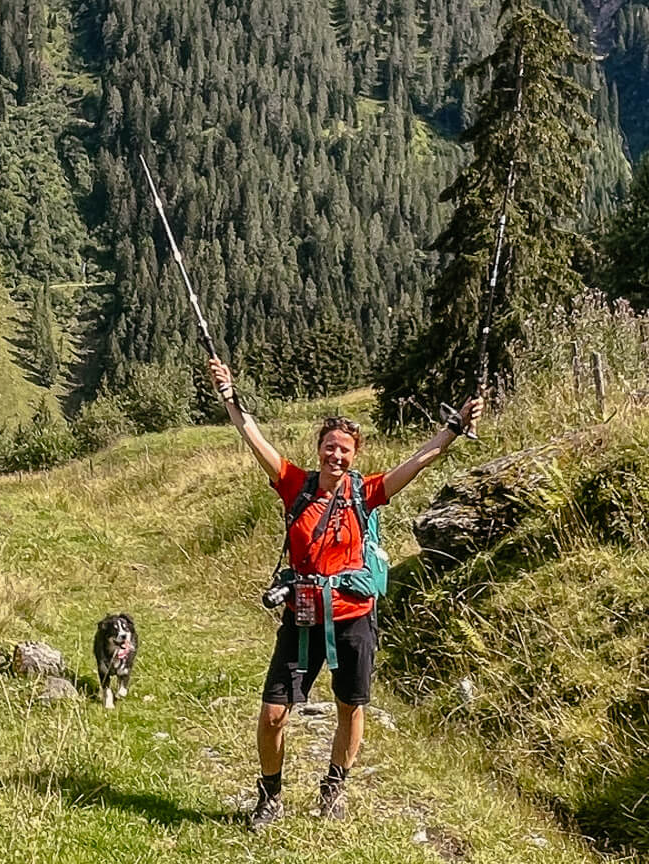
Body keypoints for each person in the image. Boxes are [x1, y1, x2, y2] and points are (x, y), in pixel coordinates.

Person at [206, 356, 482, 830]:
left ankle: (334, 788)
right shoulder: (294, 484)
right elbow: (252, 436)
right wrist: (229, 394)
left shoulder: (366, 492)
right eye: (330, 447)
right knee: (274, 713)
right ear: (319, 449)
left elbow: (418, 461)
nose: (337, 455)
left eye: (345, 450)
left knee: (351, 707)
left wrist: (454, 427)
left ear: (355, 455)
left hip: (355, 617)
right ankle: (270, 796)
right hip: (303, 619)